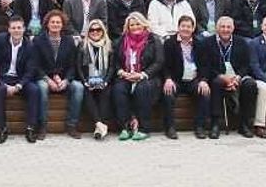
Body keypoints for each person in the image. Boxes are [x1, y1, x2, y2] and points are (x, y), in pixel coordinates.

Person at [25, 10, 81, 141]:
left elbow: (73, 66)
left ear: (62, 25)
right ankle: (42, 125)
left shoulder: (69, 41)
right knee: (42, 88)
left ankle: (72, 125)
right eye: (53, 22)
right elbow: (36, 65)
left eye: (58, 22)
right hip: (44, 77)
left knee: (78, 87)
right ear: (47, 24)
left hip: (63, 78)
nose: (55, 24)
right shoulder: (38, 40)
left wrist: (66, 80)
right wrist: (48, 79)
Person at [112, 12, 163, 141]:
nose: (135, 27)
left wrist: (142, 75)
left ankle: (143, 128)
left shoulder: (154, 40)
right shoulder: (121, 41)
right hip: (126, 75)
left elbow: (159, 62)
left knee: (142, 88)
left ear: (144, 24)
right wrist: (122, 72)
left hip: (148, 77)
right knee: (118, 89)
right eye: (132, 25)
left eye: (137, 24)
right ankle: (125, 127)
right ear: (127, 27)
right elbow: (116, 62)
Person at [205, 16, 258, 138]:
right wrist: (222, 76)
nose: (225, 30)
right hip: (218, 76)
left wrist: (237, 78)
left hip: (237, 77)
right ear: (217, 28)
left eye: (228, 27)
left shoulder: (241, 42)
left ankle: (245, 123)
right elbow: (206, 65)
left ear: (233, 28)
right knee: (217, 83)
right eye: (222, 27)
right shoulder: (208, 43)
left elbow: (246, 64)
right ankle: (215, 124)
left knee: (250, 85)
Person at [161, 15, 212, 139]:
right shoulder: (169, 43)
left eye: (188, 26)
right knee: (168, 93)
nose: (185, 29)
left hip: (193, 80)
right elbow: (165, 65)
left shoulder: (200, 43)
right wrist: (167, 78)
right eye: (183, 26)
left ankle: (200, 127)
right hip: (176, 80)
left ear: (193, 28)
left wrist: (204, 80)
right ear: (178, 27)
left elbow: (205, 66)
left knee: (205, 93)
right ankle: (170, 127)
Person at [0, 16, 32, 144]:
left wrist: (19, 86)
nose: (16, 30)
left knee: (34, 90)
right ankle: (1, 129)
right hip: (3, 77)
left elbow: (30, 71)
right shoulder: (0, 40)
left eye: (19, 28)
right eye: (13, 28)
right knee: (0, 90)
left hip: (20, 78)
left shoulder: (29, 45)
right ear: (9, 29)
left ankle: (31, 128)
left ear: (24, 29)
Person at [71, 18, 114, 140]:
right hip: (87, 80)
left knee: (106, 92)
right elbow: (78, 66)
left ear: (103, 31)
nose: (95, 32)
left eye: (98, 29)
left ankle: (98, 127)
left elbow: (112, 67)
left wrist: (105, 82)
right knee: (86, 92)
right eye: (92, 30)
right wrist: (85, 81)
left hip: (103, 80)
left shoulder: (109, 46)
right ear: (88, 32)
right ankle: (100, 124)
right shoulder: (82, 45)